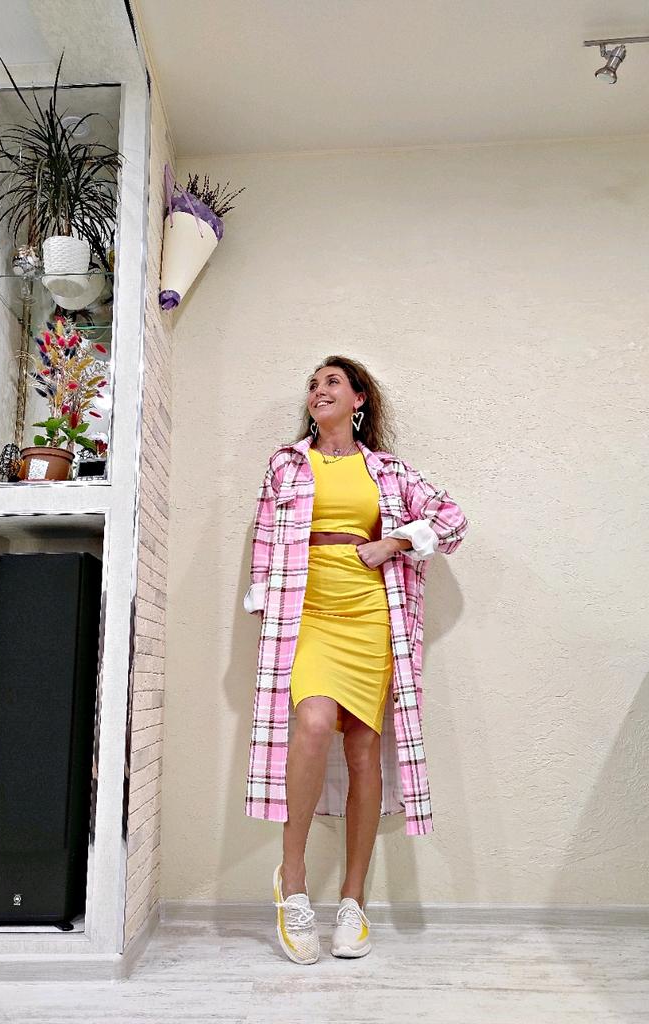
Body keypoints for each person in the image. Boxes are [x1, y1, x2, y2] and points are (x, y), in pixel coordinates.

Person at [243, 355, 468, 965]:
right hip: (308, 612)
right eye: (313, 385)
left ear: (359, 398)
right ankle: (292, 883)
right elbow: (265, 542)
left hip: (370, 616)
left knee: (365, 750)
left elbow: (452, 521)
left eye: (332, 382)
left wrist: (393, 542)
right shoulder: (287, 463)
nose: (319, 391)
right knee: (314, 723)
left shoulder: (388, 471)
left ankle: (353, 901)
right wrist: (268, 607)